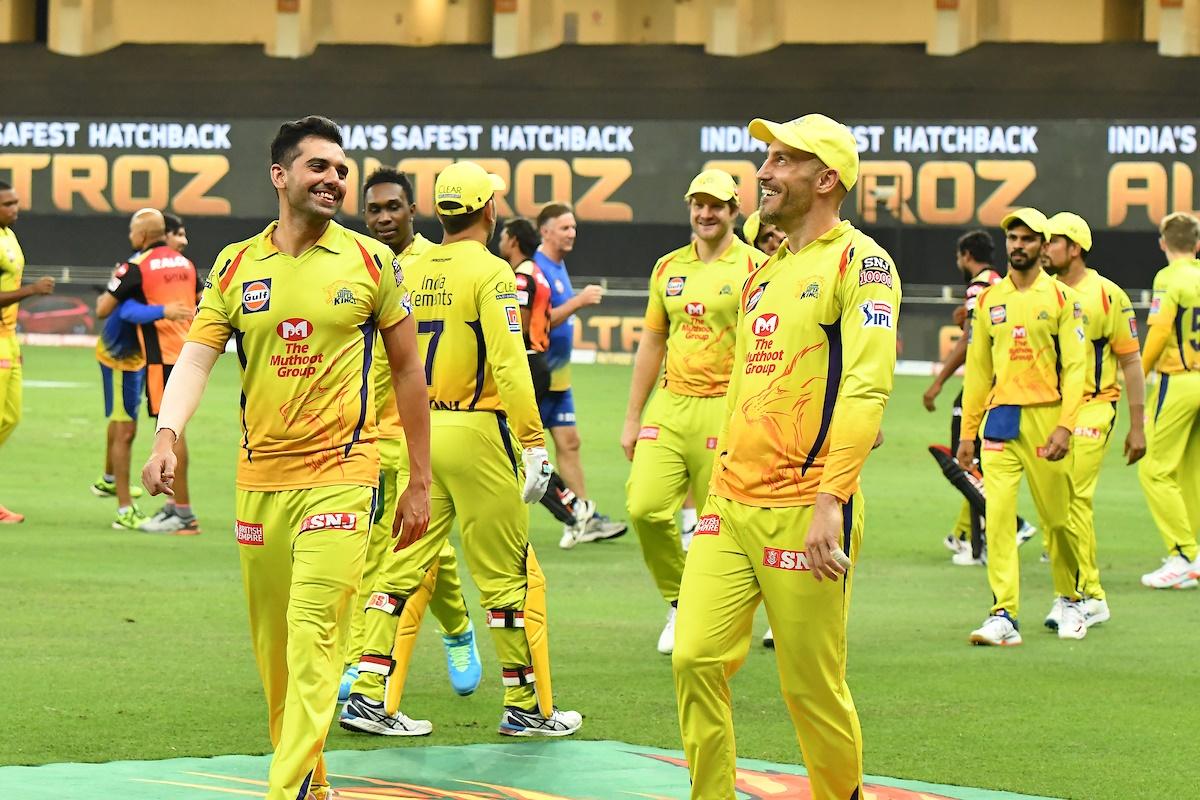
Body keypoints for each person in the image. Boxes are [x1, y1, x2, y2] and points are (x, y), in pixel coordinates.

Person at [142, 115, 432, 800]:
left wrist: (418, 481)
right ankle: (313, 786)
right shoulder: (237, 265)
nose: (335, 178)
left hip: (344, 476)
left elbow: (409, 373)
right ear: (280, 176)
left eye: (341, 168)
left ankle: (286, 791)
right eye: (319, 167)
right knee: (276, 656)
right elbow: (197, 359)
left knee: (314, 641)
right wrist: (166, 434)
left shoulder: (371, 262)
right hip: (259, 483)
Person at [673, 114, 900, 800]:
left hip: (807, 508)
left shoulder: (863, 263)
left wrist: (832, 499)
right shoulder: (763, 272)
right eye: (764, 159)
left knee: (810, 684)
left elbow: (866, 383)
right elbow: (750, 382)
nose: (763, 173)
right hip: (730, 503)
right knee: (693, 658)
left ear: (826, 178)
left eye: (781, 161)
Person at [340, 160, 581, 739]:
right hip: (478, 433)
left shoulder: (410, 269)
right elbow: (510, 364)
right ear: (490, 211)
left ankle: (368, 695)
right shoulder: (493, 272)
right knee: (505, 577)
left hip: (423, 434)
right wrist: (532, 442)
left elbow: (385, 361)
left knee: (399, 568)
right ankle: (524, 705)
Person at [336, 166, 481, 722]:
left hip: (424, 429)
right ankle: (453, 630)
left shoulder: (434, 264)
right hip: (365, 429)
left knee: (411, 546)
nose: (382, 218)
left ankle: (372, 658)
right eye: (373, 209)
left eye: (393, 207)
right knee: (386, 546)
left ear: (413, 211)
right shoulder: (352, 262)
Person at [622, 169, 766, 656]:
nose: (706, 213)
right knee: (644, 508)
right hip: (671, 405)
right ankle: (681, 601)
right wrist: (631, 416)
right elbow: (653, 342)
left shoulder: (756, 268)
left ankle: (723, 613)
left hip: (727, 408)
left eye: (717, 205)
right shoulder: (667, 268)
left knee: (719, 524)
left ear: (734, 210)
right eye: (698, 204)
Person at [958, 207, 1090, 644]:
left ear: (1042, 246)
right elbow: (977, 373)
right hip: (1001, 420)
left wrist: (1066, 427)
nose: (1018, 246)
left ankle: (1071, 599)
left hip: (1047, 418)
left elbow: (1076, 370)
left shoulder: (1063, 300)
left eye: (1028, 239)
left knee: (1057, 520)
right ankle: (1003, 614)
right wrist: (966, 436)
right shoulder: (990, 301)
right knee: (997, 517)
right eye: (1013, 238)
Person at [1039, 211, 1142, 627]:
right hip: (1049, 409)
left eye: (1052, 241)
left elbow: (1131, 360)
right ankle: (1071, 594)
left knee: (1074, 497)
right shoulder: (1039, 292)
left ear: (1075, 247)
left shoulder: (1108, 295)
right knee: (1052, 505)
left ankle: (1089, 595)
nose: (1044, 248)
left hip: (1095, 406)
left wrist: (1138, 425)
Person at [924, 230, 1036, 564]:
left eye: (959, 256)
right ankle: (969, 537)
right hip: (1006, 381)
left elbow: (972, 342)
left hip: (983, 384)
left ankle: (1005, 529)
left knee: (966, 463)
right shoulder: (1000, 282)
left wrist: (938, 383)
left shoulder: (977, 286)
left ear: (966, 255)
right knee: (979, 464)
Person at [497, 216, 604, 539]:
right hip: (539, 364)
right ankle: (573, 508)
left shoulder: (523, 277)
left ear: (513, 240)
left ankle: (572, 509)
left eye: (503, 236)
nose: (499, 241)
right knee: (522, 446)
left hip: (526, 364)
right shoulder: (539, 273)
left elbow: (515, 328)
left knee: (511, 448)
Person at [98, 208, 203, 534]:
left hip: (160, 359)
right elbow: (200, 300)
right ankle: (174, 507)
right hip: (189, 353)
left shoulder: (135, 267)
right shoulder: (183, 263)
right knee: (176, 428)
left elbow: (103, 308)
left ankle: (182, 513)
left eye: (132, 232)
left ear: (141, 235)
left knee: (170, 432)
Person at [534, 202, 627, 548]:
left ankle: (584, 517)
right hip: (537, 377)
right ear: (545, 231)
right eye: (564, 227)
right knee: (519, 456)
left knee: (570, 443)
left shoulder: (557, 266)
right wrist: (578, 301)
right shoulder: (536, 269)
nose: (572, 233)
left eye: (574, 227)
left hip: (559, 378)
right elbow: (536, 321)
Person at [1137, 212, 1200, 589]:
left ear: (1163, 243)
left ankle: (1183, 553)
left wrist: (1137, 374)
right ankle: (1195, 552)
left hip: (1177, 381)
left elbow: (1160, 332)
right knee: (1190, 470)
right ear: (1196, 245)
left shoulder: (1168, 278)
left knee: (1155, 469)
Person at [0, 180, 54, 523]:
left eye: (16, 202)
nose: (15, 208)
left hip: (9, 337)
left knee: (10, 417)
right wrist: (31, 290)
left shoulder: (9, 236)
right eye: (8, 204)